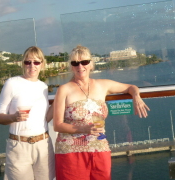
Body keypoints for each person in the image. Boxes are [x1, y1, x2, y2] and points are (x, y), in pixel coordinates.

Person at [53, 45, 150, 180]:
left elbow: (130, 87)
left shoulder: (103, 85)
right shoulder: (64, 89)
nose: (80, 66)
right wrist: (84, 128)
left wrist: (136, 97)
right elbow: (57, 125)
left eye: (84, 62)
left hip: (99, 147)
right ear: (71, 66)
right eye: (75, 63)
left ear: (91, 64)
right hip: (71, 151)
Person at [0, 46, 55, 180]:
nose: (32, 65)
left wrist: (58, 101)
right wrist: (14, 117)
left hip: (43, 145)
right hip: (19, 146)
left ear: (42, 64)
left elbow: (45, 119)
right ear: (23, 64)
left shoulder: (43, 87)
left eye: (36, 62)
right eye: (28, 62)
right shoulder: (12, 83)